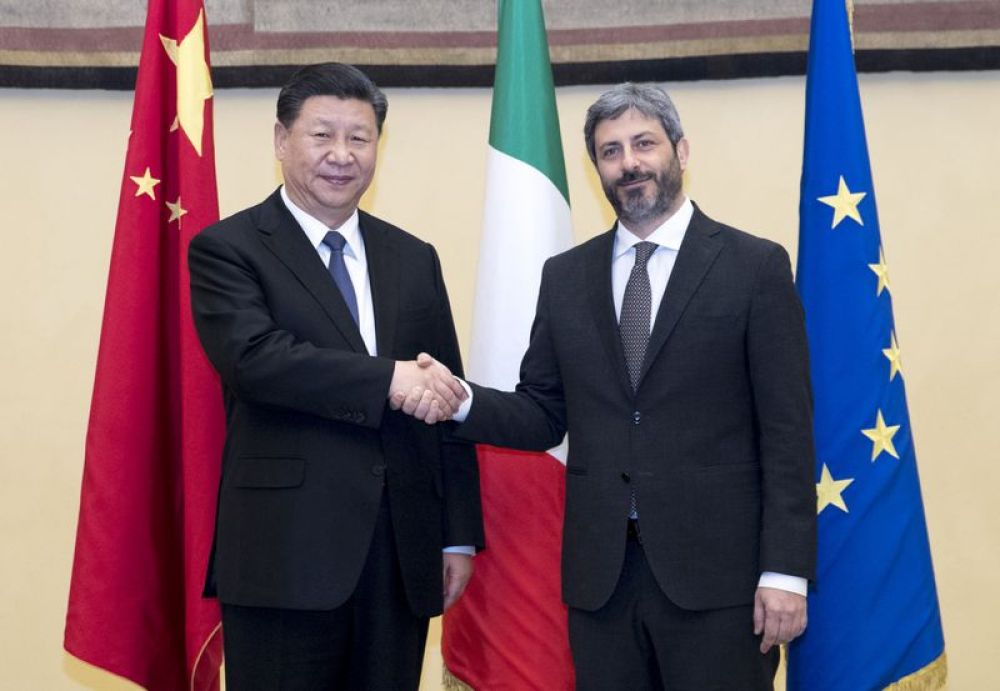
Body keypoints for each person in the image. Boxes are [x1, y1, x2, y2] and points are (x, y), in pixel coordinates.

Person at [398, 83, 817, 689]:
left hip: (721, 581)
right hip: (602, 581)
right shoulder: (566, 277)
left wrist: (785, 572)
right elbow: (543, 412)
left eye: (644, 144)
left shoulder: (754, 266)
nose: (629, 163)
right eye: (610, 151)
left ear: (680, 150)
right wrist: (462, 401)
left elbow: (787, 432)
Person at [188, 62, 483, 690]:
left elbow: (444, 395)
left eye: (360, 137)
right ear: (281, 140)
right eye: (322, 135)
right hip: (284, 557)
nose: (342, 155)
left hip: (399, 556)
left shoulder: (413, 257)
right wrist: (386, 380)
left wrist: (457, 535)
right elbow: (257, 361)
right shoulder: (228, 248)